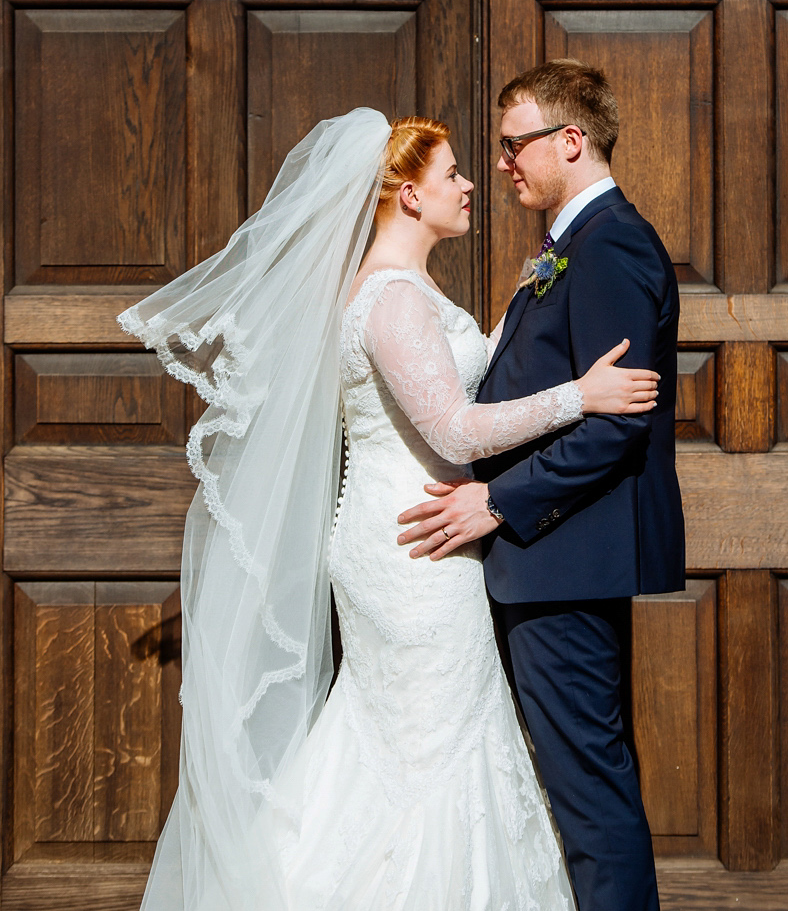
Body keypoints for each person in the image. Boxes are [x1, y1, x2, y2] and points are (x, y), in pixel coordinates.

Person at [118, 106, 659, 911]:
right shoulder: (395, 300)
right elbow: (452, 426)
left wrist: (518, 312)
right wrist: (579, 395)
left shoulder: (403, 290)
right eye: (451, 175)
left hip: (415, 534)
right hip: (419, 549)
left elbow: (450, 377)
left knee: (402, 742)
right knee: (431, 752)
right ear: (409, 195)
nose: (471, 183)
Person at [398, 60, 685, 911]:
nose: (502, 163)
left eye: (514, 143)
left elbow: (616, 423)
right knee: (581, 785)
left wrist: (497, 501)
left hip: (565, 558)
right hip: (549, 559)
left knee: (590, 795)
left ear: (571, 140)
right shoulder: (569, 247)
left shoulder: (612, 246)